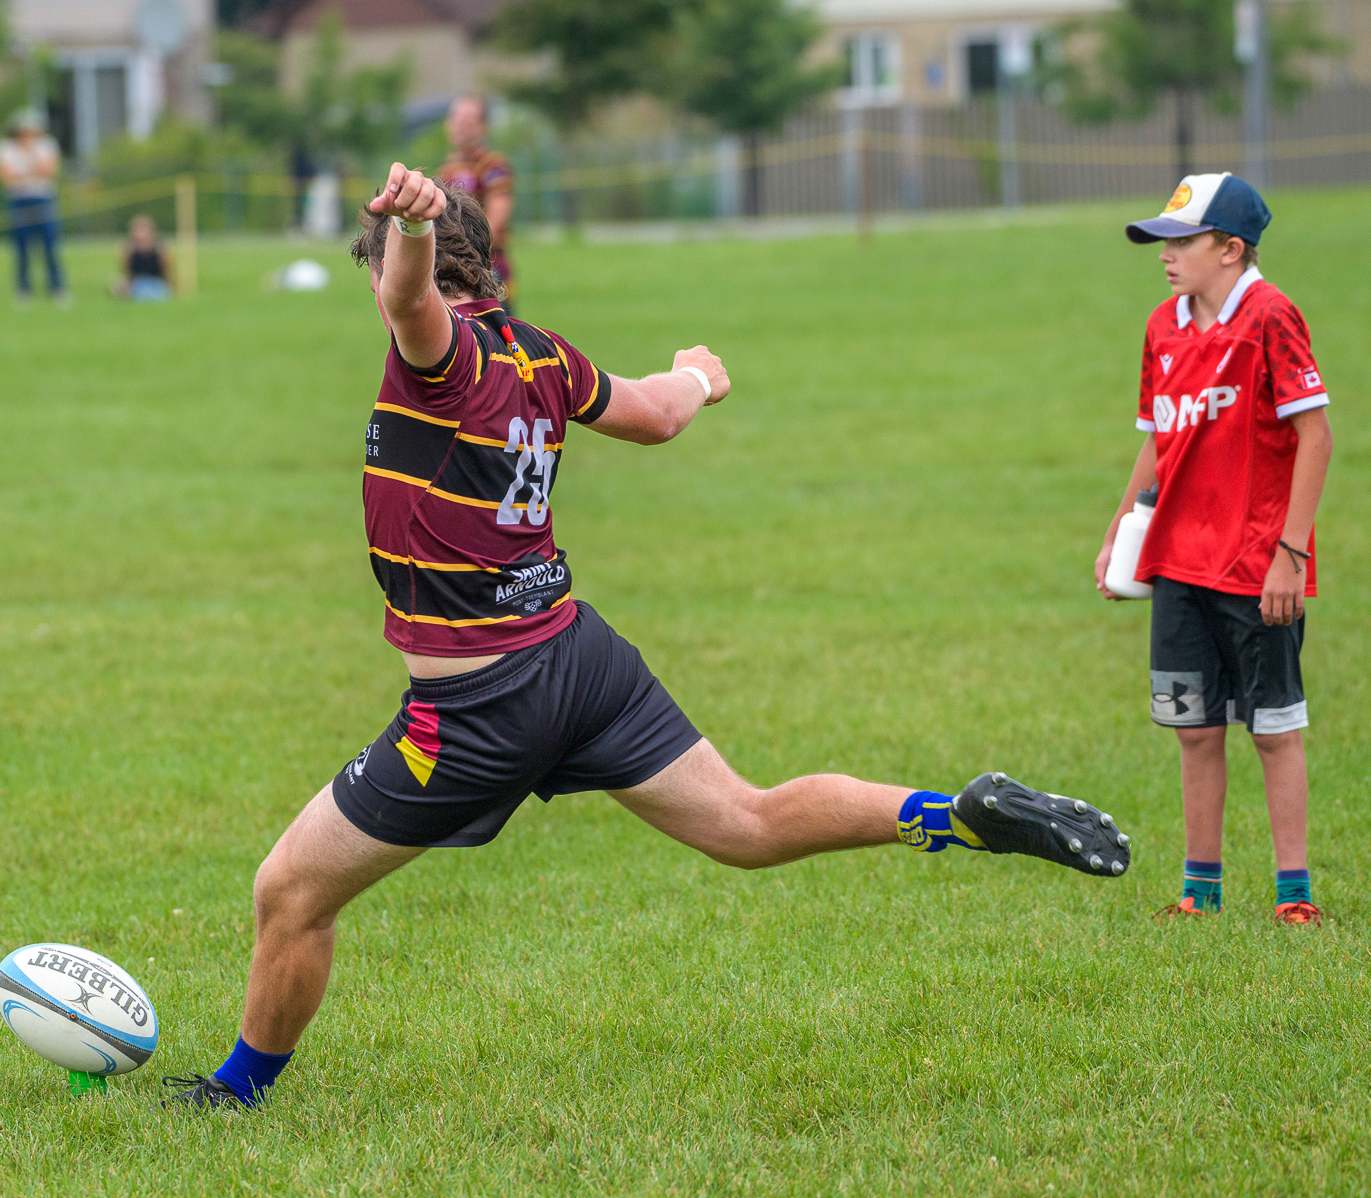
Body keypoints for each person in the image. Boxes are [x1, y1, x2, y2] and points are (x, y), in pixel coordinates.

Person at [162, 164, 1134, 1112]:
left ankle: (232, 1094)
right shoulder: (545, 355)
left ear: (414, 274)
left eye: (378, 278)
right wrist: (696, 379)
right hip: (582, 662)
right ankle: (953, 812)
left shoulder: (442, 354)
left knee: (290, 891)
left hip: (474, 707)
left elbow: (414, 300)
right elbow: (659, 415)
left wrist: (407, 234)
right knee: (747, 825)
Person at [1095, 173, 1333, 926]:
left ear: (1230, 249)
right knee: (1194, 730)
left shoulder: (1271, 316)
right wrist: (1121, 529)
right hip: (1178, 563)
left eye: (1181, 242)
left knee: (1271, 731)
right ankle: (1201, 890)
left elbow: (1314, 436)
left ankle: (1293, 895)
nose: (1165, 257)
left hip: (1256, 563)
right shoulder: (1163, 326)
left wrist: (1290, 551)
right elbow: (1161, 439)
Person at [437, 96, 516, 311]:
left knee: (498, 338)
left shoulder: (493, 166)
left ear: (483, 127)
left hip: (488, 265)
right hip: (452, 269)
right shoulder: (446, 172)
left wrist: (465, 251)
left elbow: (496, 218)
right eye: (457, 119)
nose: (461, 127)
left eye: (469, 121)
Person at [0, 109, 67, 306]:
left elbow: (49, 171)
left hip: (42, 198)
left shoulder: (46, 145)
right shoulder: (5, 148)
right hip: (18, 200)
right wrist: (30, 172)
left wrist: (29, 157)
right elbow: (7, 178)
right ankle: (24, 289)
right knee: (21, 246)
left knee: (50, 244)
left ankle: (57, 288)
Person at [112, 214, 172, 302]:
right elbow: (127, 272)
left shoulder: (160, 249)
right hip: (136, 282)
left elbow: (166, 272)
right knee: (117, 284)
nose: (142, 234)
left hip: (155, 282)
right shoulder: (129, 249)